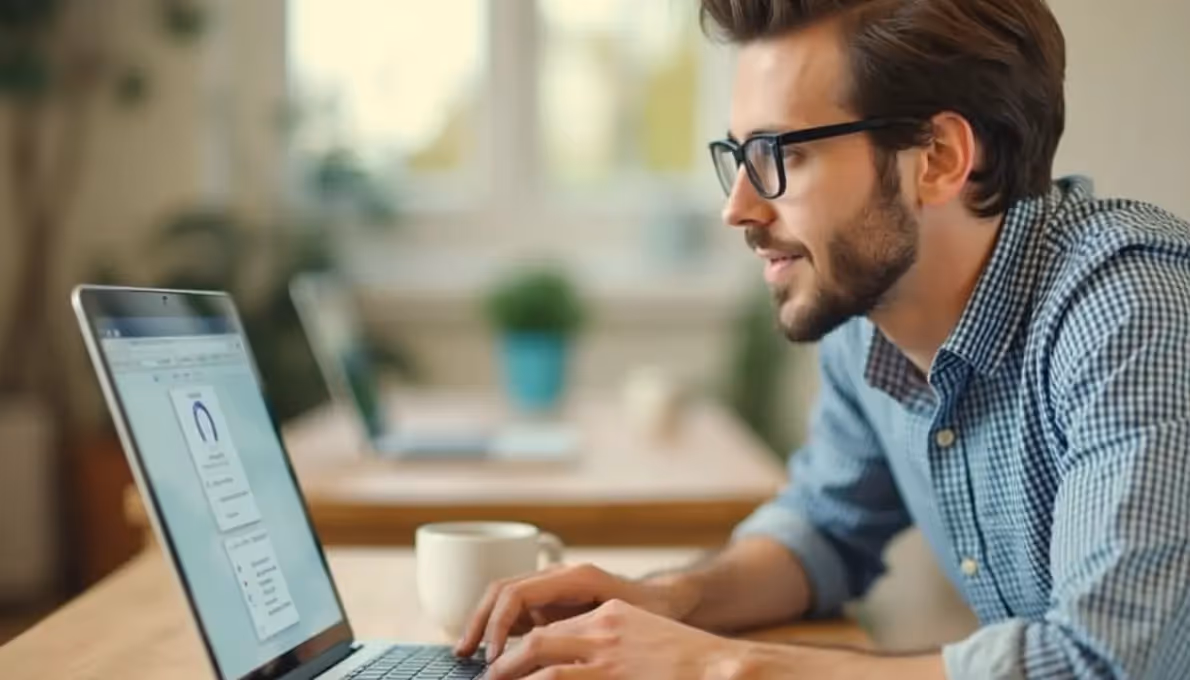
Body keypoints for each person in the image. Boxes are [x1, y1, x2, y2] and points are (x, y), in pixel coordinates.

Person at [456, 0, 1190, 677]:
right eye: (737, 157)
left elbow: (1103, 661)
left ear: (936, 159)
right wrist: (669, 599)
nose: (737, 208)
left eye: (781, 155)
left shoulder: (1132, 313)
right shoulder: (868, 309)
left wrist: (721, 667)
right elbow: (825, 528)